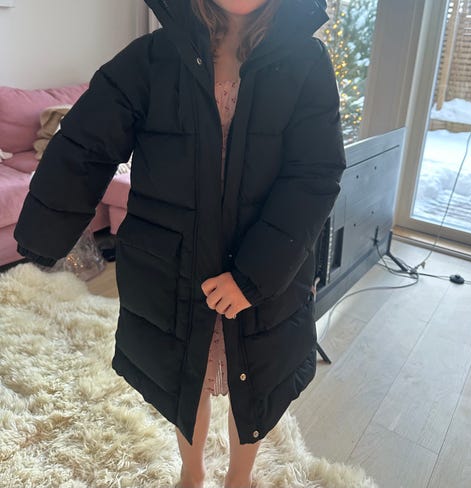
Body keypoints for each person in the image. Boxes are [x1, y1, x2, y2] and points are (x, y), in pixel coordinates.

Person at [14, 1, 346, 487]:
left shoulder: (307, 62)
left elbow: (314, 175)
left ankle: (239, 477)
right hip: (175, 267)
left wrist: (255, 276)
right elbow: (86, 142)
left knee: (256, 380)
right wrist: (44, 232)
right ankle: (191, 473)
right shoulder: (152, 57)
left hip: (266, 267)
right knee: (185, 381)